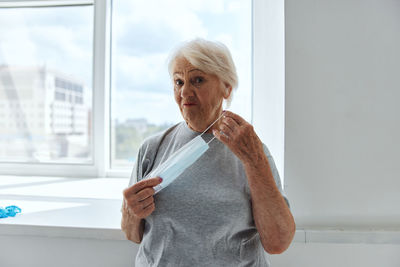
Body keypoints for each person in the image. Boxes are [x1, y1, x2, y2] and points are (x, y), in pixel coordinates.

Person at [121, 38, 295, 266]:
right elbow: (133, 235)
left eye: (198, 80)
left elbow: (278, 242)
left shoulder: (251, 151)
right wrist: (130, 212)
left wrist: (255, 162)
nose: (184, 92)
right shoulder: (152, 148)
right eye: (178, 82)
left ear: (227, 87)